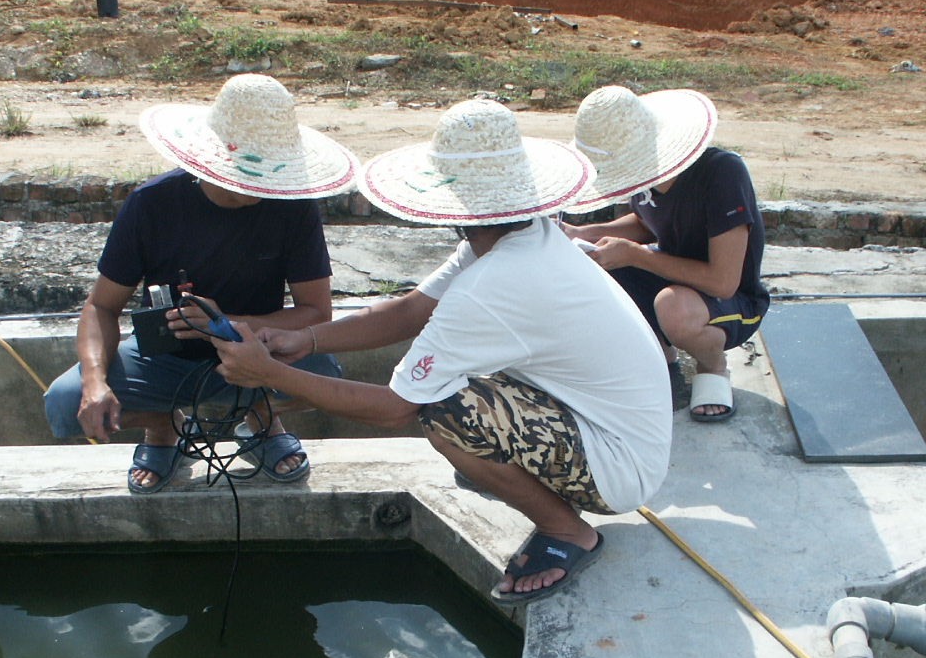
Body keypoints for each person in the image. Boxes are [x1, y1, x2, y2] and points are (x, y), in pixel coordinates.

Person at [207, 99, 672, 605]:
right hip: (618, 431)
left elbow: (395, 409)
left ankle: (567, 531)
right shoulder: (521, 237)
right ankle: (510, 473)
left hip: (618, 469)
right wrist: (307, 339)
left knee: (448, 413)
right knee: (453, 387)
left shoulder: (494, 282)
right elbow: (411, 311)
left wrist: (269, 372)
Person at [43, 74, 360, 492]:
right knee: (65, 401)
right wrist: (94, 381)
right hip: (164, 357)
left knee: (324, 372)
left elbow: (316, 313)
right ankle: (164, 428)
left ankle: (262, 423)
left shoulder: (293, 208)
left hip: (257, 348)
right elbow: (101, 305)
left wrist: (223, 323)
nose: (263, 187)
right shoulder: (152, 203)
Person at [558, 85, 769, 421]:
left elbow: (723, 282)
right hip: (674, 278)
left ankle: (712, 365)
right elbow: (647, 222)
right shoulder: (646, 179)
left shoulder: (721, 174)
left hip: (733, 301)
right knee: (596, 266)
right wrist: (584, 234)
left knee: (673, 307)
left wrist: (637, 256)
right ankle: (658, 346)